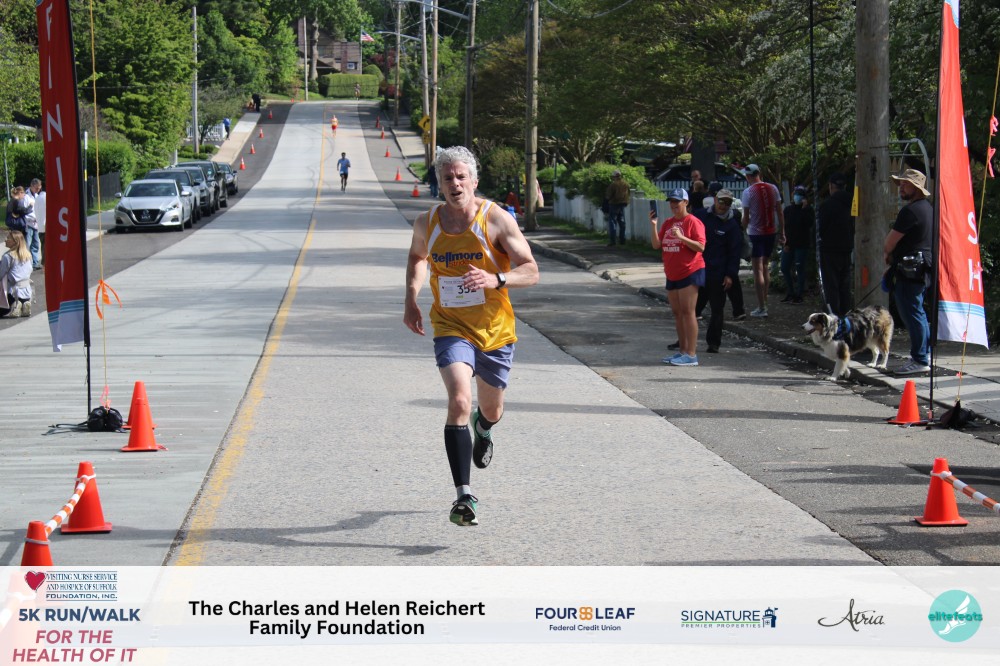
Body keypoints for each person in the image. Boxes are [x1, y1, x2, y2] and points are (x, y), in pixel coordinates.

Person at [403, 145, 539, 527]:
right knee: (460, 399)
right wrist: (411, 298)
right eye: (447, 177)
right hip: (450, 327)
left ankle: (484, 427)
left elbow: (531, 270)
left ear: (474, 181)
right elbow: (416, 257)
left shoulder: (495, 220)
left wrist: (496, 279)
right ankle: (464, 495)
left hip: (495, 331)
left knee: (492, 410)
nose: (455, 183)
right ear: (439, 183)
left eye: (461, 176)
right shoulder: (427, 223)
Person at [884, 168, 933, 375]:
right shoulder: (928, 209)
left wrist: (888, 254)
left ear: (917, 188)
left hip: (909, 269)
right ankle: (923, 354)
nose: (901, 187)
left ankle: (920, 358)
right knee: (918, 312)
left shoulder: (910, 211)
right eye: (901, 183)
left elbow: (889, 242)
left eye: (905, 184)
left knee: (912, 314)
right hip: (924, 268)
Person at [649, 188, 706, 366]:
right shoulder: (668, 223)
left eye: (677, 201)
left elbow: (701, 247)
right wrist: (653, 225)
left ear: (685, 202)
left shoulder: (693, 221)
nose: (673, 205)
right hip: (672, 273)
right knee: (677, 313)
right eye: (671, 202)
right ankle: (682, 351)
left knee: (688, 312)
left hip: (690, 271)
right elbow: (656, 245)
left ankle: (691, 354)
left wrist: (681, 237)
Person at [695, 189, 743, 353]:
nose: (723, 205)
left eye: (727, 203)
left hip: (718, 273)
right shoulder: (701, 216)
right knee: (691, 309)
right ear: (715, 200)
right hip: (699, 270)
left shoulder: (732, 225)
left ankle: (713, 343)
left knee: (717, 310)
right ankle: (684, 340)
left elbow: (735, 253)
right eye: (721, 201)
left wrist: (730, 274)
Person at [740, 163, 785, 317]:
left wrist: (741, 230)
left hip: (756, 233)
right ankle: (764, 302)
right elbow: (780, 212)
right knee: (765, 266)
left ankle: (761, 307)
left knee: (758, 269)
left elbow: (746, 217)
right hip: (770, 232)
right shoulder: (773, 188)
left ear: (748, 176)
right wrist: (782, 231)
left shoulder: (748, 192)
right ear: (759, 173)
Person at [817, 172, 855, 316]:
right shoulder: (853, 203)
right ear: (845, 186)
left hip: (829, 249)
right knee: (845, 285)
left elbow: (820, 228)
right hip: (847, 247)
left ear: (831, 186)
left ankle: (832, 316)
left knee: (831, 285)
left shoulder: (827, 205)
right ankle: (846, 315)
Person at [781, 184, 813, 304]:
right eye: (796, 195)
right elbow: (785, 227)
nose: (797, 197)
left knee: (800, 268)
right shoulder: (788, 210)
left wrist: (804, 208)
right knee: (784, 267)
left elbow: (809, 224)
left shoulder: (808, 210)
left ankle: (799, 294)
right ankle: (790, 292)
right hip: (789, 244)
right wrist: (785, 242)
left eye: (800, 195)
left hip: (802, 244)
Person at [0, 230, 33, 318]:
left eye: (8, 238)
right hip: (27, 290)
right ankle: (24, 302)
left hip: (11, 292)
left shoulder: (8, 257)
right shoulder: (28, 255)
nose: (5, 240)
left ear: (15, 242)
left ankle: (15, 304)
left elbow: (1, 274)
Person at [604, 170, 629, 246]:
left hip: (614, 204)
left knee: (612, 222)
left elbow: (609, 195)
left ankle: (613, 241)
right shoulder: (625, 184)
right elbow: (628, 193)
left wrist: (606, 201)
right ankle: (622, 240)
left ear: (614, 177)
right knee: (622, 222)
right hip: (623, 204)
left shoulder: (613, 185)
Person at [22, 179, 42, 270]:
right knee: (28, 244)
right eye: (37, 188)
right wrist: (32, 218)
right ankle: (26, 263)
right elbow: (24, 211)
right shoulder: (26, 196)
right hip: (29, 223)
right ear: (32, 186)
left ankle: (35, 262)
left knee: (36, 244)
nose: (38, 190)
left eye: (39, 188)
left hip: (36, 224)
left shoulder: (37, 196)